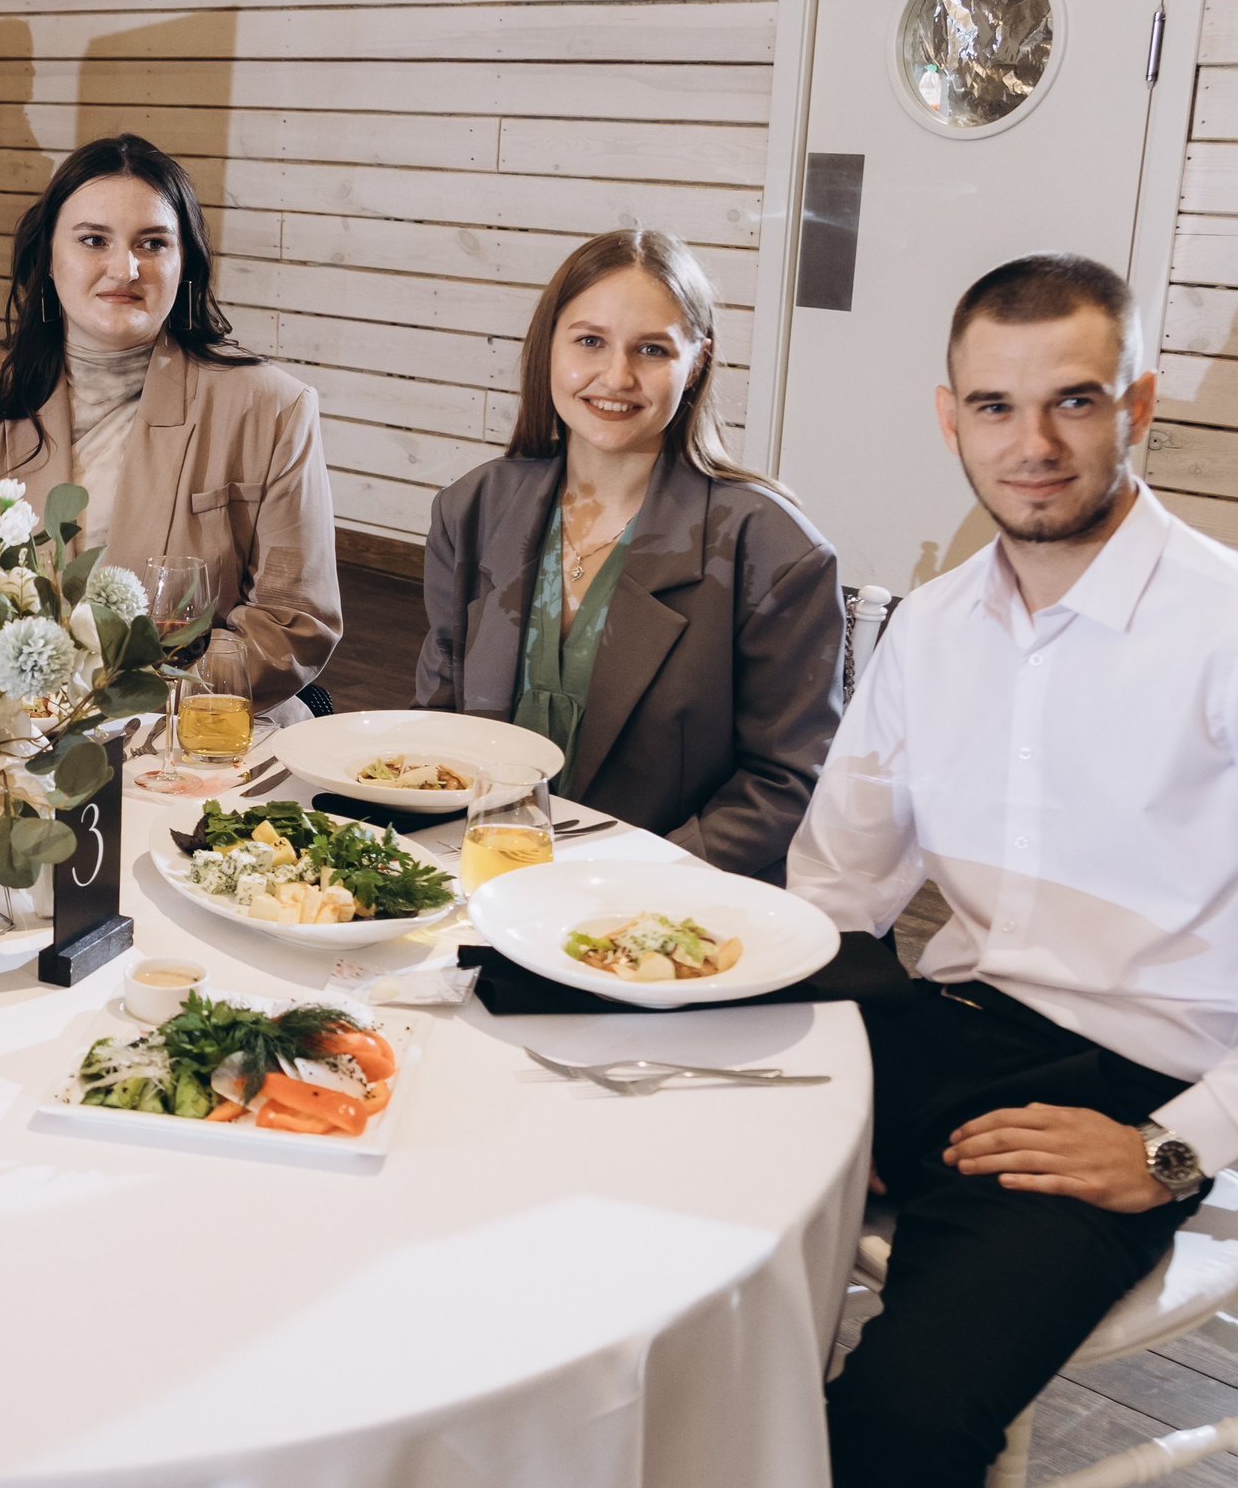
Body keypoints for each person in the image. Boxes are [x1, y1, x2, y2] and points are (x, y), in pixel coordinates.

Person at [799, 254, 1238, 1488]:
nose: (1032, 445)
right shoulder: (931, 627)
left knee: (902, 1427)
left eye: (1074, 402)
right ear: (952, 419)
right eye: (996, 406)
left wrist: (1173, 1148)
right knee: (630, 1210)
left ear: (1135, 406)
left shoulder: (1223, 627)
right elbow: (834, 890)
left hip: (1135, 1087)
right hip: (940, 1025)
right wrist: (836, 1080)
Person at [415, 229, 841, 878]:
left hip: (661, 904)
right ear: (548, 346)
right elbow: (437, 725)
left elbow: (786, 783)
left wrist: (628, 883)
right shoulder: (470, 509)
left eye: (651, 349)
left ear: (696, 362)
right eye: (590, 341)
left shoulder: (776, 551)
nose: (617, 377)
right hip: (481, 878)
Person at [0, 132, 342, 720]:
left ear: (185, 263)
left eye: (153, 243)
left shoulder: (272, 407)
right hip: (4, 725)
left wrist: (141, 703)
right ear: (49, 256)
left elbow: (293, 622)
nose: (125, 268)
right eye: (94, 240)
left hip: (192, 723)